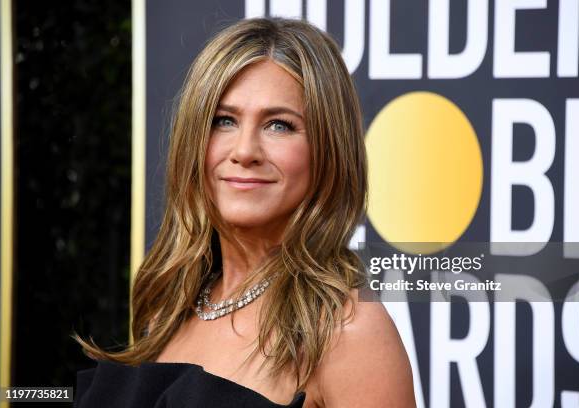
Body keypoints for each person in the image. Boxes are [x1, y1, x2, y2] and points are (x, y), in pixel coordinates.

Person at [73, 16, 416, 408]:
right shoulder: (167, 306)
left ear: (329, 149)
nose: (244, 151)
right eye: (224, 121)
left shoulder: (346, 331)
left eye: (279, 125)